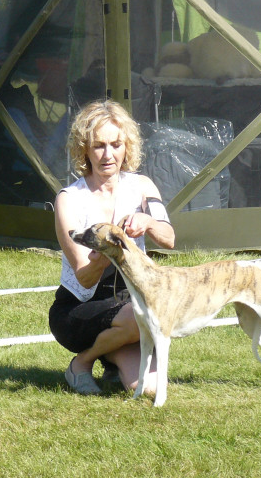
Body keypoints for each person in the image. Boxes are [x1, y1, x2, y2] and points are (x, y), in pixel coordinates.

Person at [48, 99, 175, 395]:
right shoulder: (69, 199)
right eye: (99, 146)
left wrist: (149, 222)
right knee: (141, 316)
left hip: (129, 303)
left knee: (152, 389)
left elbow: (169, 238)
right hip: (80, 308)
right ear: (85, 150)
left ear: (127, 146)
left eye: (116, 145)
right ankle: (82, 362)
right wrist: (108, 251)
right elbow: (84, 277)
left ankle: (114, 361)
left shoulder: (142, 186)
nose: (108, 155)